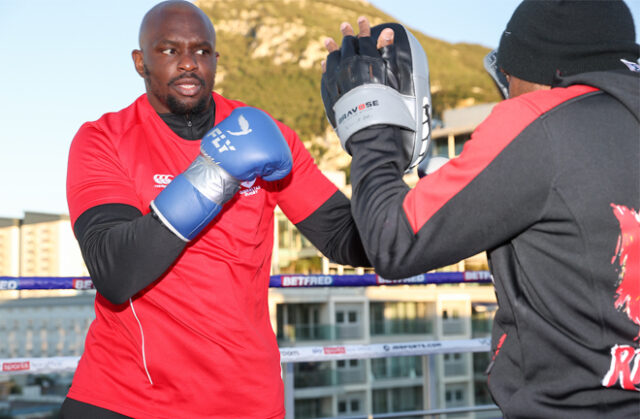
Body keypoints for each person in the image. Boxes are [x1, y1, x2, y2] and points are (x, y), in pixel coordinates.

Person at [321, 1, 640, 417]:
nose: (503, 91)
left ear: (542, 71)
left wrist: (370, 128)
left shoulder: (534, 124)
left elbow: (391, 242)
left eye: (504, 76)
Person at [62, 1, 369, 418]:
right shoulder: (103, 139)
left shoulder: (263, 133)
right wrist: (217, 174)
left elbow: (346, 239)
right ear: (140, 61)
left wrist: (375, 144)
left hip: (244, 400)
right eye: (169, 50)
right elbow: (114, 270)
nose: (189, 63)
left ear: (216, 60)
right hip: (127, 397)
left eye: (202, 51)